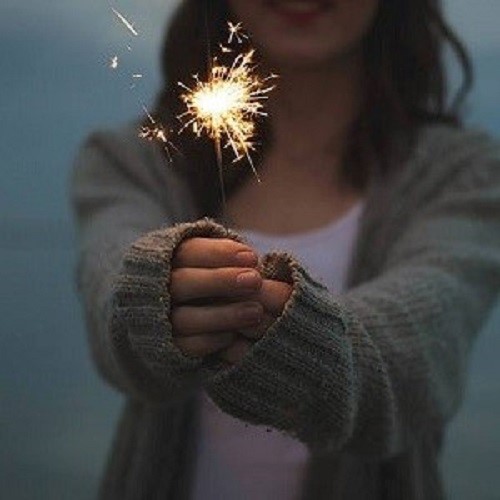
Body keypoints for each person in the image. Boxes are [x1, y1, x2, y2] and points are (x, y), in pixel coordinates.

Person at [71, 0, 500, 498]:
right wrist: (153, 295)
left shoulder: (463, 178)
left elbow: (422, 352)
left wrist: (300, 340)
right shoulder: (134, 162)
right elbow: (112, 296)